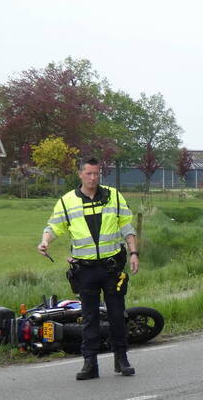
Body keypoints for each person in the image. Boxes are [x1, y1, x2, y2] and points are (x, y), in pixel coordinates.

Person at [37, 157, 140, 381]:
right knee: (90, 317)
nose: (93, 178)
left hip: (112, 266)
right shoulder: (67, 201)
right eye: (89, 174)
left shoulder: (113, 196)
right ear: (80, 174)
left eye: (97, 174)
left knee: (116, 315)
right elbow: (54, 226)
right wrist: (45, 241)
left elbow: (127, 226)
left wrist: (134, 253)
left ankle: (121, 359)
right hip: (85, 270)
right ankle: (89, 363)